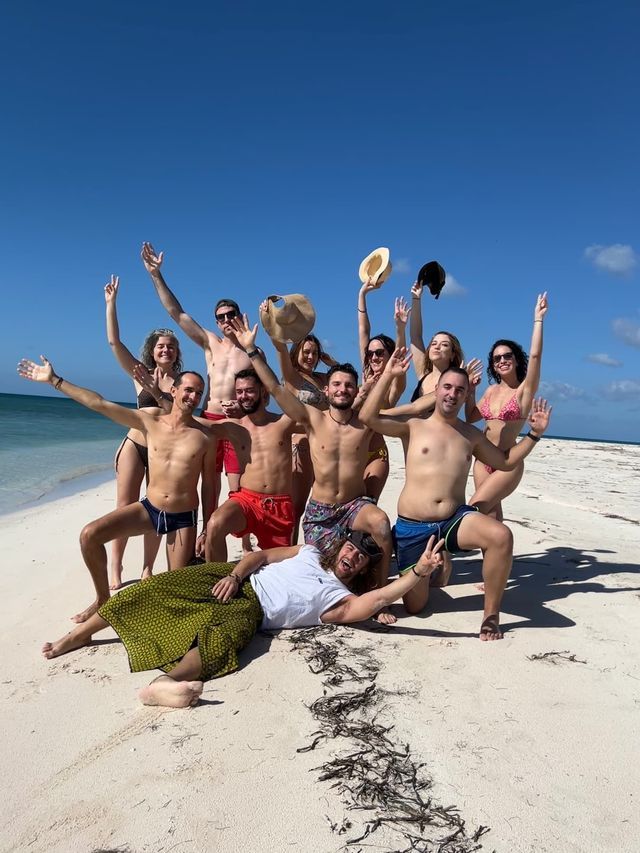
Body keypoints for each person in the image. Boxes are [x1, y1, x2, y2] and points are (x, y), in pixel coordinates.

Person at [40, 531, 446, 708]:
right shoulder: (305, 552)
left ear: (359, 570)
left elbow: (377, 599)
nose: (352, 555)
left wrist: (420, 573)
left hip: (255, 610)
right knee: (152, 589)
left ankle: (163, 685)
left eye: (360, 557)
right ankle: (79, 635)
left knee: (218, 645)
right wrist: (235, 574)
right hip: (232, 579)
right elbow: (260, 557)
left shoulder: (339, 599)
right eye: (351, 547)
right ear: (340, 546)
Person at [17, 356, 237, 624]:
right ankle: (102, 600)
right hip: (150, 508)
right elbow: (100, 404)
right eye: (189, 390)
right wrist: (55, 381)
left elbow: (210, 486)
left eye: (199, 393)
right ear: (174, 391)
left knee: (173, 592)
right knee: (90, 535)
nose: (193, 396)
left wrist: (205, 528)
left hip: (182, 518)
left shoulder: (205, 436)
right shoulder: (151, 421)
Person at [359, 349, 552, 640]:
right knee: (416, 606)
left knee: (501, 536)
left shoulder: (470, 436)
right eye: (447, 387)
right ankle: (436, 569)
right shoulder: (413, 427)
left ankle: (490, 616)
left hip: (453, 521)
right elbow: (367, 416)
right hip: (414, 528)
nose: (452, 394)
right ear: (436, 390)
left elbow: (506, 462)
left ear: (465, 397)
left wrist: (534, 435)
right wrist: (388, 375)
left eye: (460, 390)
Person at [229, 314, 396, 623]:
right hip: (320, 511)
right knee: (323, 569)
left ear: (355, 390)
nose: (342, 389)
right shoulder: (313, 419)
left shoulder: (365, 422)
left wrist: (388, 370)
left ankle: (380, 595)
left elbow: (386, 390)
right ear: (327, 391)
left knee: (382, 525)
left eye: (348, 385)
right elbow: (277, 391)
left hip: (354, 505)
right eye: (336, 384)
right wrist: (252, 350)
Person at [141, 242, 255, 553]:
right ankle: (207, 532)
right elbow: (176, 312)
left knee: (237, 483)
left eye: (231, 314)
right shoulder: (210, 343)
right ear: (216, 321)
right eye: (221, 316)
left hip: (234, 423)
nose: (226, 319)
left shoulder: (251, 351)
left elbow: (265, 391)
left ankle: (244, 541)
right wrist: (156, 276)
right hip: (208, 418)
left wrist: (242, 408)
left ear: (239, 316)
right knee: (208, 481)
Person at [104, 275, 183, 589]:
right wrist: (111, 304)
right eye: (161, 346)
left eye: (171, 347)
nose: (165, 350)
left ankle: (148, 567)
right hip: (135, 446)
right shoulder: (140, 374)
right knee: (124, 509)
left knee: (155, 511)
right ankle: (116, 567)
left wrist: (161, 393)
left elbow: (179, 417)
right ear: (152, 352)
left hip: (163, 452)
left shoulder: (182, 383)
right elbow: (114, 344)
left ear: (177, 353)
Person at [466, 293, 549, 520]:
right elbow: (471, 416)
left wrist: (538, 320)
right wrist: (471, 391)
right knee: (490, 516)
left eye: (506, 356)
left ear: (515, 359)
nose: (502, 360)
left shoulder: (523, 391)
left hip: (507, 462)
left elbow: (536, 356)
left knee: (474, 509)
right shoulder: (491, 391)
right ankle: (496, 556)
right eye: (496, 359)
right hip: (483, 461)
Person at [201, 367, 298, 561]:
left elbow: (322, 421)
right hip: (246, 500)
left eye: (249, 390)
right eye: (239, 392)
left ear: (263, 392)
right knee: (215, 524)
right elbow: (193, 423)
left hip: (278, 505)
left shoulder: (284, 423)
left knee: (278, 569)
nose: (244, 396)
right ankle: (215, 582)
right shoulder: (235, 427)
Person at [270, 333, 337, 543]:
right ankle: (288, 552)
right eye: (306, 351)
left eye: (315, 352)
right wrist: (276, 328)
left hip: (326, 446)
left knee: (326, 503)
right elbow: (280, 350)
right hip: (301, 445)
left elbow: (345, 378)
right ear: (296, 352)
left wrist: (330, 362)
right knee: (296, 507)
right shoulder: (292, 376)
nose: (311, 356)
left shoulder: (322, 378)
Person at [357, 278, 410, 499]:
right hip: (352, 452)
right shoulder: (366, 374)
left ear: (390, 355)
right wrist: (362, 295)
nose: (374, 356)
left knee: (368, 504)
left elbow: (401, 349)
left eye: (380, 353)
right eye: (371, 353)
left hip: (376, 453)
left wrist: (400, 328)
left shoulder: (395, 380)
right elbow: (363, 332)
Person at [408, 279, 464, 401]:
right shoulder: (423, 374)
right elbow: (415, 336)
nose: (437, 346)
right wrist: (416, 299)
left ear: (453, 354)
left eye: (444, 344)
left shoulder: (455, 382)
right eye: (434, 343)